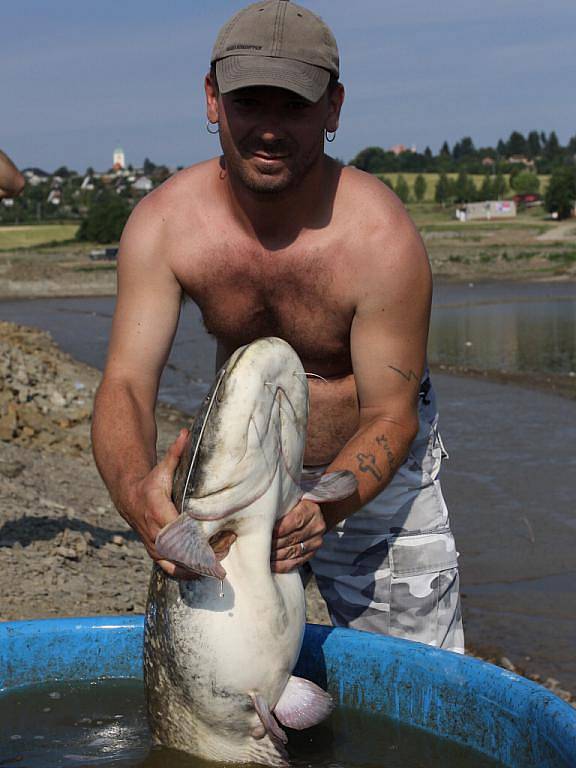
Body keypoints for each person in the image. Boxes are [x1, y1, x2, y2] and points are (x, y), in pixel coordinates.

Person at [92, 0, 463, 653]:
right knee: (224, 683)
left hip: (369, 481)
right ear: (212, 100)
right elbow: (124, 384)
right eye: (249, 102)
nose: (269, 127)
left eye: (293, 105)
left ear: (333, 108)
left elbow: (392, 413)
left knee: (415, 672)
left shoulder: (379, 237)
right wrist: (136, 495)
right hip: (240, 470)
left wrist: (325, 507)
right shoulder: (165, 226)